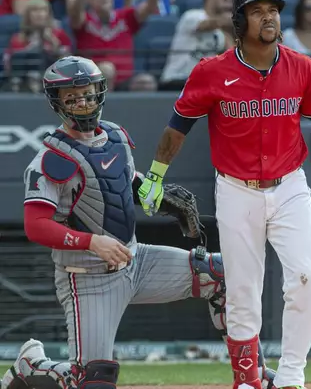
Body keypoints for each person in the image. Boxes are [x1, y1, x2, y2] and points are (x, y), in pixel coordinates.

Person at [1, 56, 276, 389]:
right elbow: (36, 225)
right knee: (93, 380)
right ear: (56, 102)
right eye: (71, 97)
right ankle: (32, 366)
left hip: (136, 260)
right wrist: (93, 242)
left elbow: (123, 181)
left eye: (87, 93)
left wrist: (160, 198)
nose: (82, 102)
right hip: (87, 276)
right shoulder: (50, 159)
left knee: (221, 275)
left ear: (100, 92)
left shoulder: (115, 136)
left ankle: (252, 376)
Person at [136, 0, 311, 386]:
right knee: (242, 291)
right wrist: (156, 175)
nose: (269, 17)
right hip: (236, 190)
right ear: (240, 22)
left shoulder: (302, 67)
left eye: (273, 10)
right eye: (258, 11)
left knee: (306, 277)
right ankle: (247, 380)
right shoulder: (211, 72)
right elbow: (178, 127)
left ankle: (291, 377)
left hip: (290, 184)